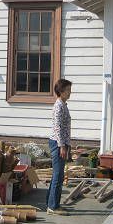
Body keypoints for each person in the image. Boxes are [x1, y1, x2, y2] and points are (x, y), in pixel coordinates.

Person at [47, 78, 72, 216]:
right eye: (67, 90)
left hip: (62, 143)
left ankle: (50, 203)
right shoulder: (58, 106)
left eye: (70, 90)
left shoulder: (63, 104)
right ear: (61, 91)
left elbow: (65, 128)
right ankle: (53, 206)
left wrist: (68, 144)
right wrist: (62, 146)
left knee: (58, 174)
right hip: (57, 143)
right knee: (58, 175)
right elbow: (57, 128)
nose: (69, 93)